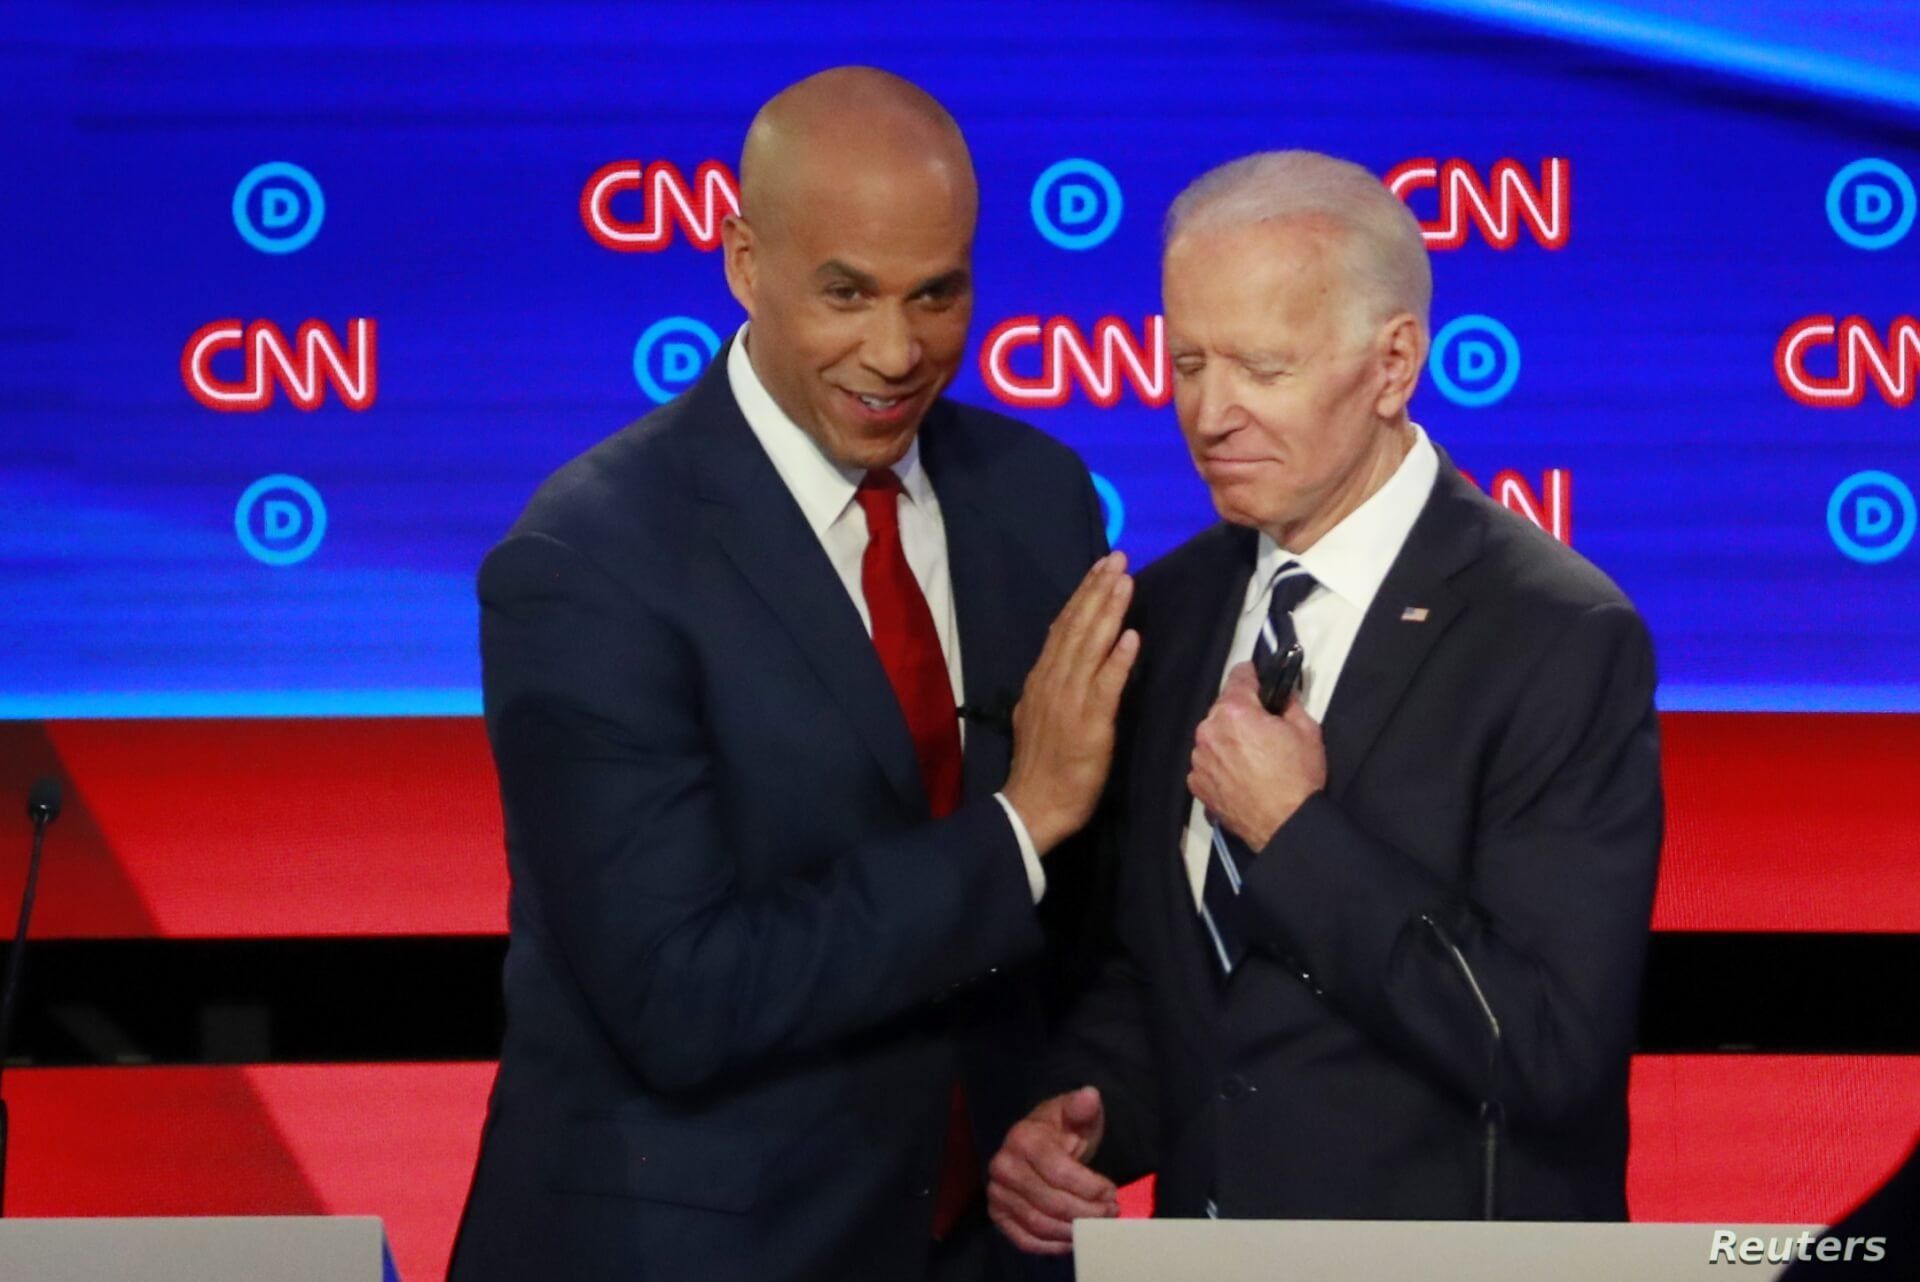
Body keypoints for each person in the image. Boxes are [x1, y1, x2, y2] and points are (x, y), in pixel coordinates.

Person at [447, 68, 1136, 1282]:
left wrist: (1084, 1110)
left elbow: (1088, 919)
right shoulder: (591, 558)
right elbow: (679, 993)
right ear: (742, 261)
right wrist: (1017, 822)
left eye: (939, 294)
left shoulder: (1037, 499)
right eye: (846, 293)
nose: (897, 349)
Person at [987, 150, 1664, 1256]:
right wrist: (1081, 1117)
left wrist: (1294, 834)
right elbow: (1172, 973)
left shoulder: (1558, 637)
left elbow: (1544, 1047)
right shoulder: (1173, 610)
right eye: (1188, 362)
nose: (1210, 412)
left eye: (1262, 366)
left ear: (1394, 362)